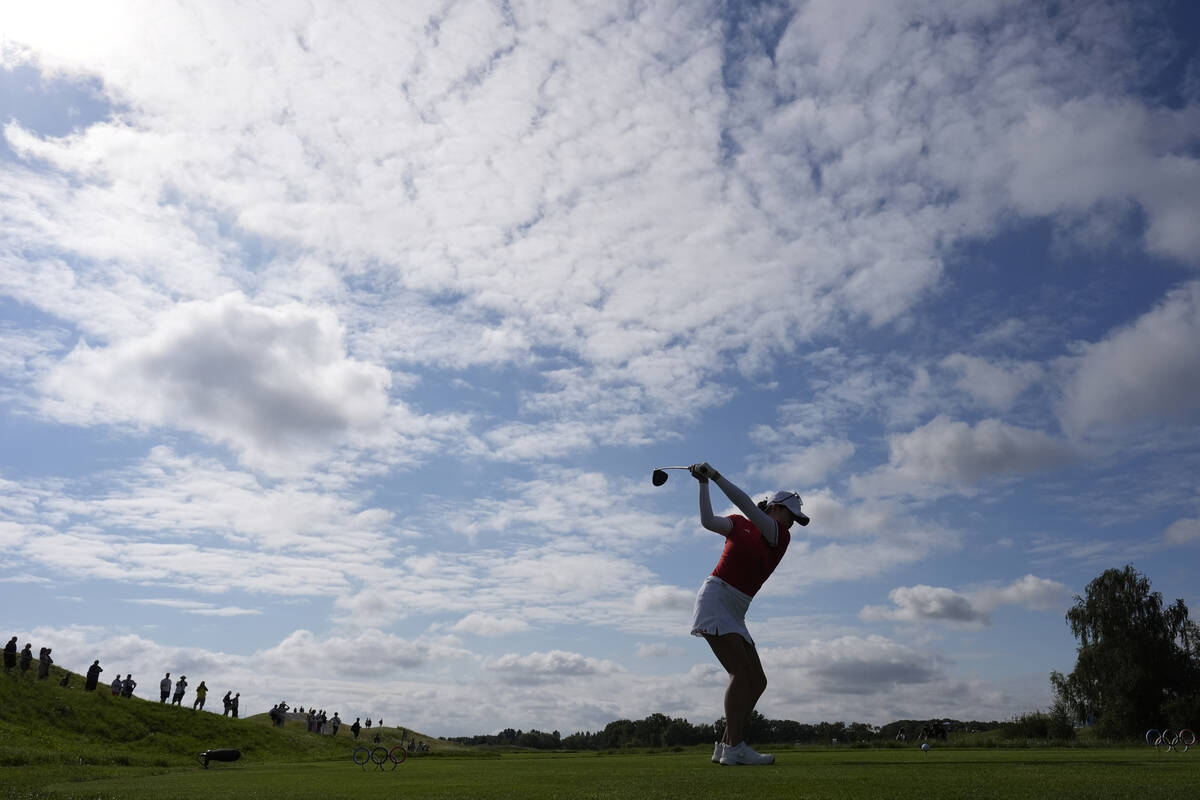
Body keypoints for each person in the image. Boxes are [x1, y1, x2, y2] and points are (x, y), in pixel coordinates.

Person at [685, 462, 809, 767]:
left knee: (758, 681)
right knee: (741, 675)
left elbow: (746, 505)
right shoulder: (740, 524)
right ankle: (735, 747)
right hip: (716, 598)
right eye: (790, 515)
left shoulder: (778, 534)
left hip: (737, 609)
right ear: (776, 508)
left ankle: (727, 744)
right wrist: (704, 482)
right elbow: (707, 521)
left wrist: (715, 475)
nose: (792, 523)